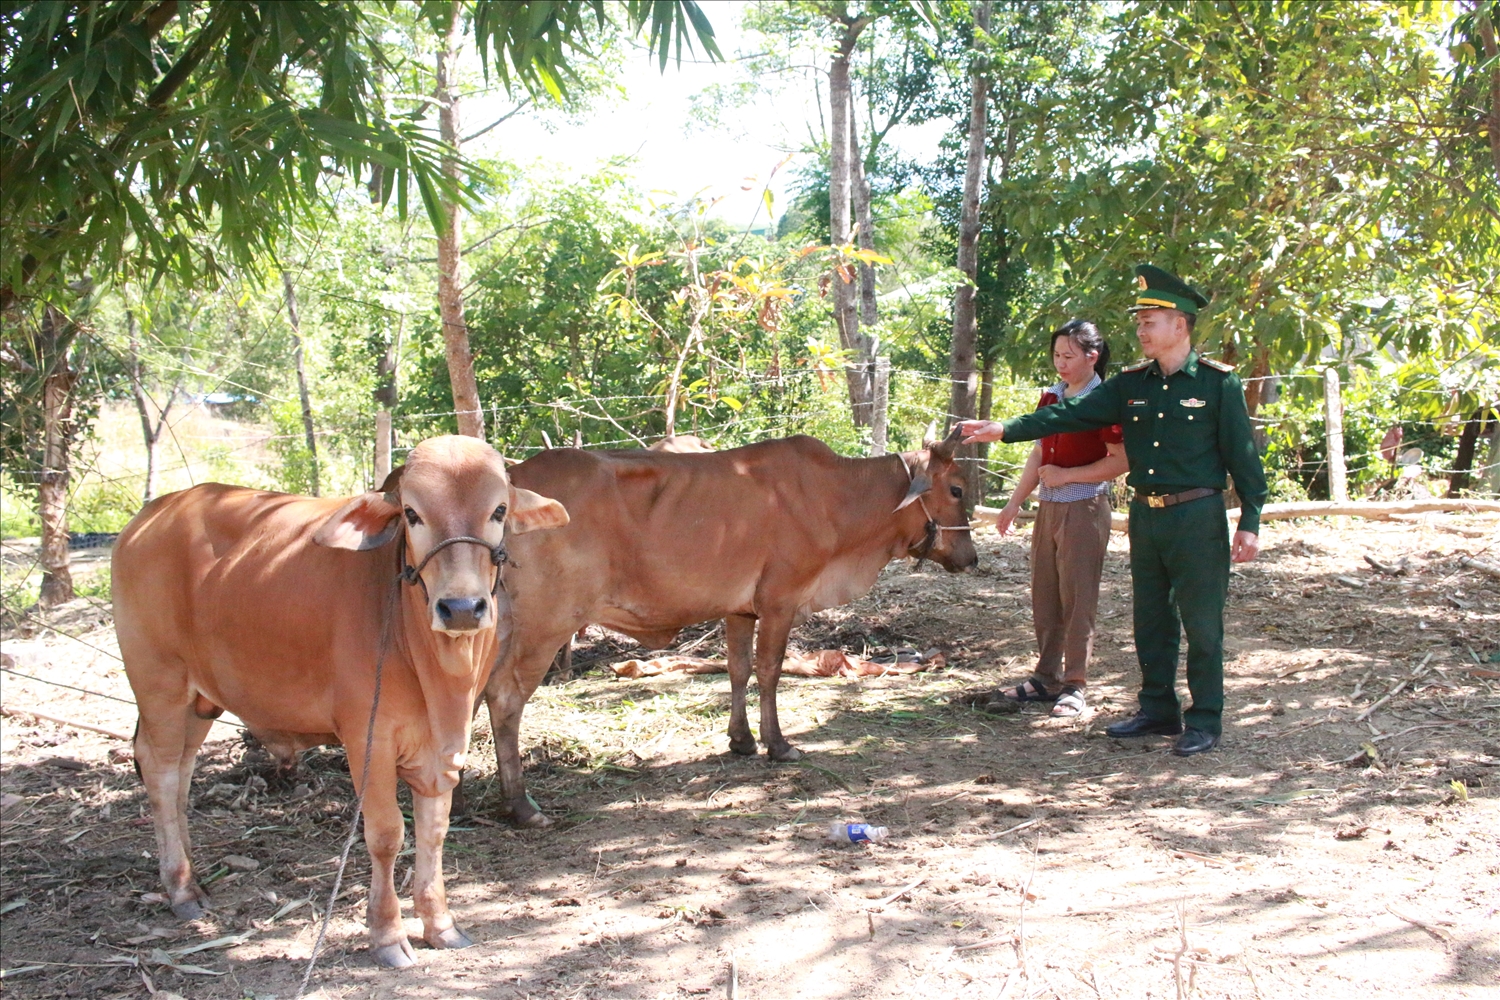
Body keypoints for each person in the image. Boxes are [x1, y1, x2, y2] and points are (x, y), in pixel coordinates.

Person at [959, 265, 1267, 756]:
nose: (1140, 330)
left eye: (1150, 321)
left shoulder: (1217, 385)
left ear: (1180, 326)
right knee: (1150, 620)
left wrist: (1250, 522)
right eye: (1139, 321)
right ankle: (1158, 710)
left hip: (1198, 518)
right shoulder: (1130, 385)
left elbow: (1244, 459)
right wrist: (1005, 429)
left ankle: (1205, 718)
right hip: (1147, 517)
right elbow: (1070, 414)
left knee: (1202, 623)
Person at [987, 320, 1128, 718]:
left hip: (1084, 507)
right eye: (1056, 356)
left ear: (1092, 357)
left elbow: (1119, 461)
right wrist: (1016, 501)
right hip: (1048, 507)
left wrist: (1068, 476)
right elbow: (1037, 453)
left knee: (1078, 597)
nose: (1060, 364)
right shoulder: (1051, 397)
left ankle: (1075, 684)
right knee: (1045, 594)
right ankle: (1045, 677)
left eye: (1069, 356)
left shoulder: (1105, 402)